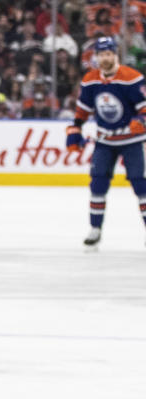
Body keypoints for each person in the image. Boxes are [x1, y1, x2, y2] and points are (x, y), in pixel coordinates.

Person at [66, 36, 146, 247]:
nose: (105, 58)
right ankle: (95, 229)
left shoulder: (132, 78)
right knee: (98, 184)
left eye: (108, 54)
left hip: (132, 140)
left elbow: (145, 109)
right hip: (105, 140)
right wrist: (75, 129)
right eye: (101, 54)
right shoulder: (90, 80)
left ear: (115, 54)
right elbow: (82, 110)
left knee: (141, 185)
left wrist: (141, 121)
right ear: (96, 57)